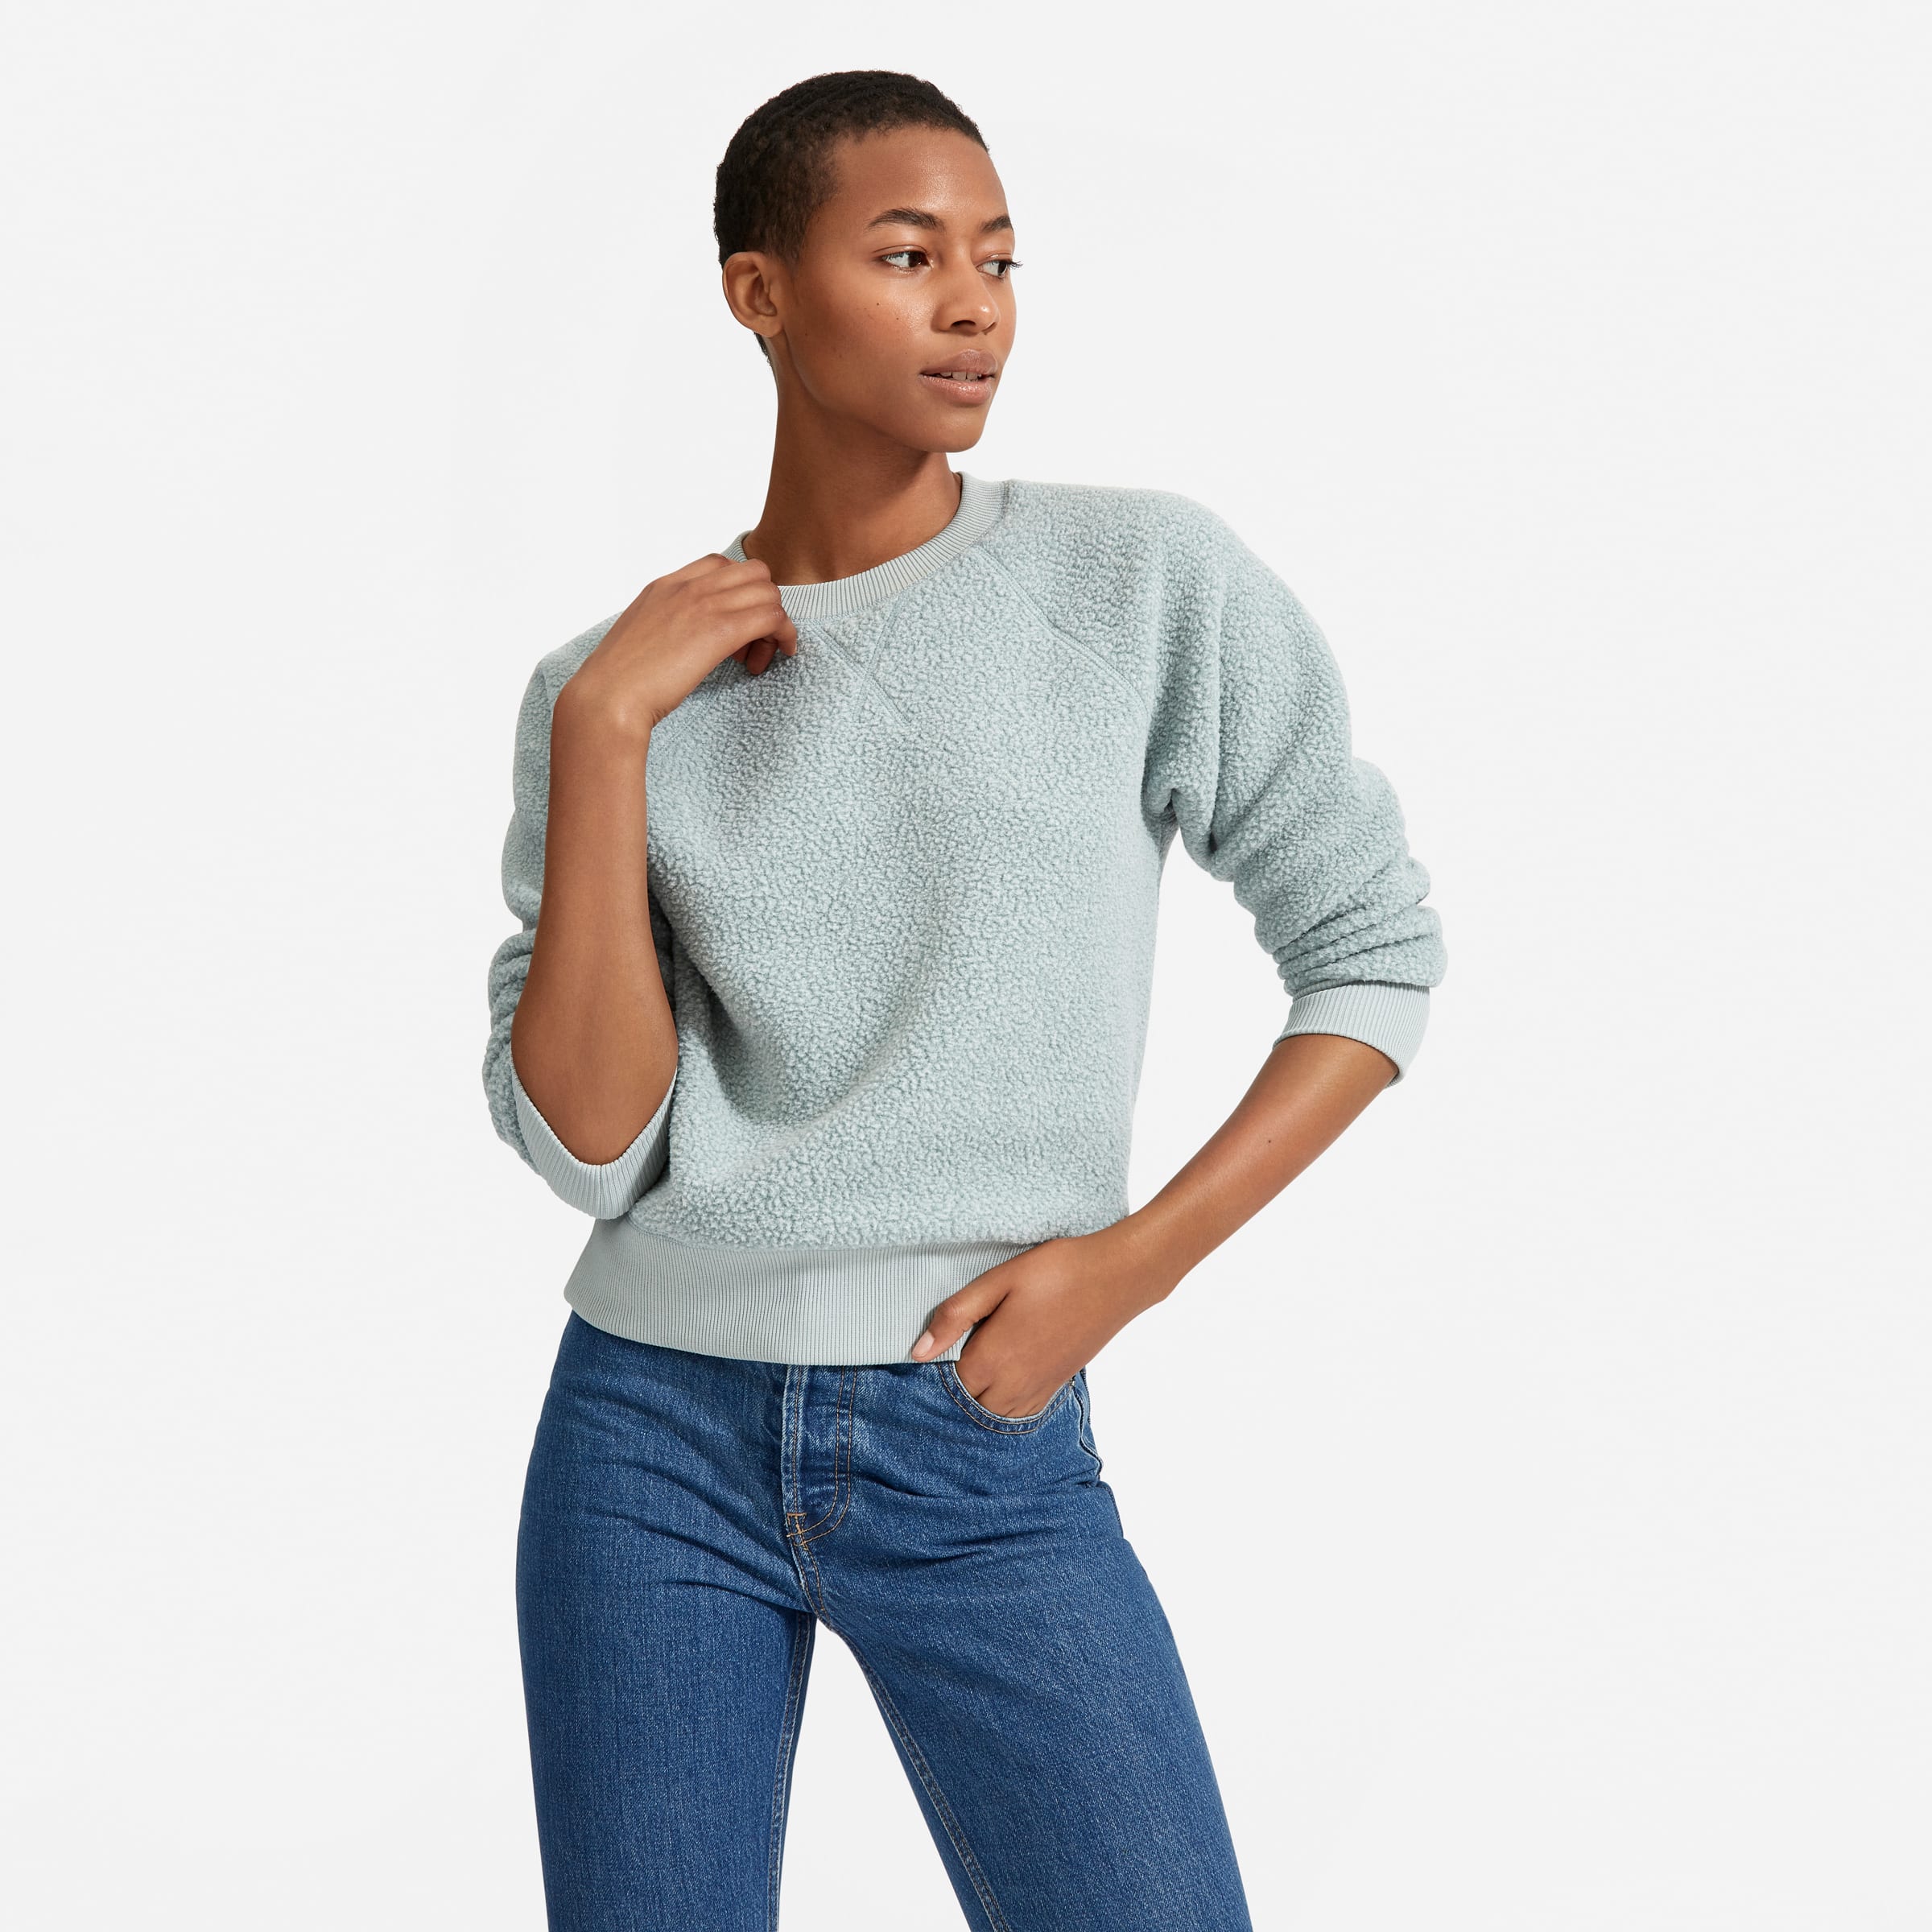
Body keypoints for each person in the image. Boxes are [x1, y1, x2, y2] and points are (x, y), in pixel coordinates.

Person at [484, 68, 1447, 1932]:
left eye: (998, 261)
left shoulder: (1135, 580)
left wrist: (1130, 1266)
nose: (974, 307)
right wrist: (608, 732)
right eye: (910, 255)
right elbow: (592, 1146)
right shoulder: (606, 686)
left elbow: (1373, 953)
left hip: (977, 1427)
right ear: (760, 292)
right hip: (642, 1436)